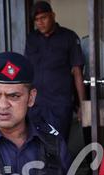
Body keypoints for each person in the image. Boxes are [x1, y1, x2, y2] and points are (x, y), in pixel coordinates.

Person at [25, 1, 86, 141]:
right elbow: (26, 70)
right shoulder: (31, 39)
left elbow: (77, 72)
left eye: (44, 18)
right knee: (35, 144)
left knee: (58, 145)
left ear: (53, 15)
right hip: (35, 104)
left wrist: (83, 105)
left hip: (59, 104)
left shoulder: (69, 37)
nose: (40, 23)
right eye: (37, 20)